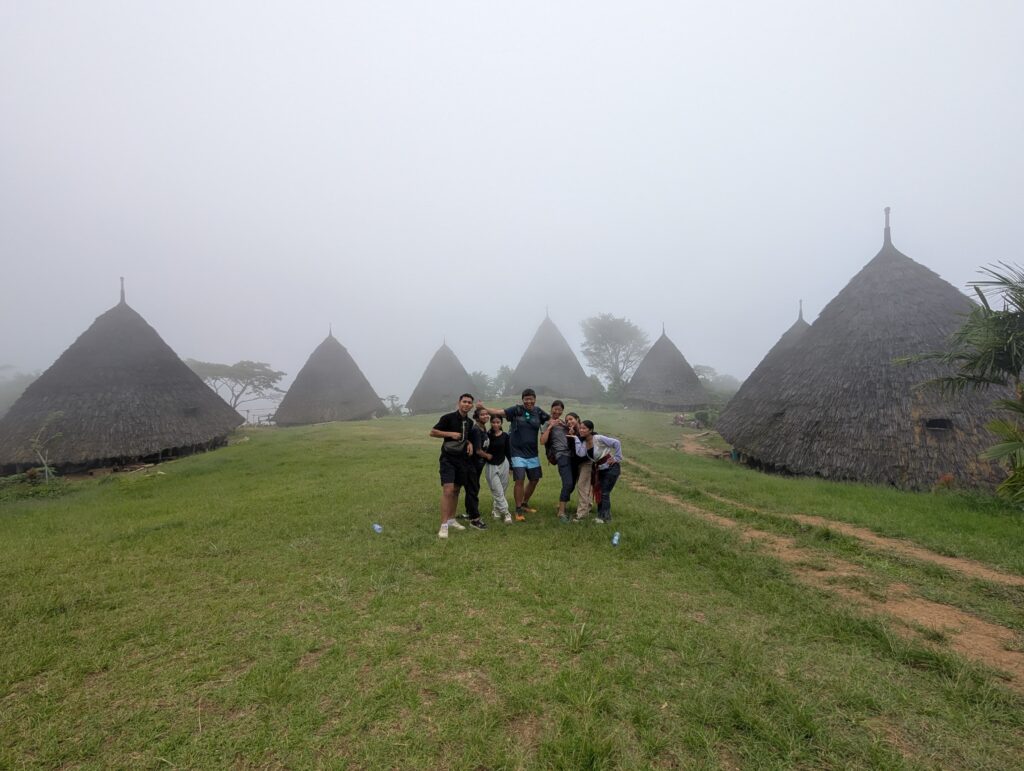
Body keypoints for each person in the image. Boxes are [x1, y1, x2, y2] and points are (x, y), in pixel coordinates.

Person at [476, 389, 550, 521]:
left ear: (535, 399)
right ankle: (518, 509)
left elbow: (551, 420)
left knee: (534, 480)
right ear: (522, 400)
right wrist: (484, 408)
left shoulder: (538, 412)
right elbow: (499, 412)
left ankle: (524, 503)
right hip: (517, 452)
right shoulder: (516, 410)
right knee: (520, 479)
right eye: (526, 398)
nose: (529, 401)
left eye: (531, 398)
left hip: (532, 452)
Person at [429, 393, 485, 538]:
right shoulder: (448, 418)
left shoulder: (470, 422)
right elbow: (433, 432)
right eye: (464, 402)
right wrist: (450, 434)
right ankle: (443, 525)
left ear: (472, 406)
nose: (466, 404)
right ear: (459, 403)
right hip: (448, 459)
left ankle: (452, 519)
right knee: (448, 490)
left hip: (462, 460)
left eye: (469, 403)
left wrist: (469, 443)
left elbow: (465, 437)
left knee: (456, 490)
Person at [575, 419, 622, 524]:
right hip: (600, 469)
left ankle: (606, 518)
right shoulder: (584, 442)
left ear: (590, 430)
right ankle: (601, 516)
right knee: (600, 492)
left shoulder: (598, 438)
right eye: (580, 428)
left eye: (584, 428)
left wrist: (617, 457)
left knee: (605, 493)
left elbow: (616, 443)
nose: (581, 430)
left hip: (611, 468)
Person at [540, 400, 574, 522]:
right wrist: (550, 426)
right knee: (568, 483)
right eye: (555, 409)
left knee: (573, 481)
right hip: (561, 455)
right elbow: (542, 441)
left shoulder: (564, 423)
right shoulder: (546, 423)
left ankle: (561, 505)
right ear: (551, 408)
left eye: (560, 410)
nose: (557, 411)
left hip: (572, 455)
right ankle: (561, 512)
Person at [460, 406, 490, 529]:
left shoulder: (483, 429)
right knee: (473, 489)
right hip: (471, 464)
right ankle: (474, 519)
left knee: (472, 488)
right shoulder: (476, 430)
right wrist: (489, 456)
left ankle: (469, 513)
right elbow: (478, 451)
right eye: (482, 414)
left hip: (478, 466)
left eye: (487, 414)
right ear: (477, 417)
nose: (485, 416)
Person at [480, 414, 512, 523]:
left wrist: (511, 467)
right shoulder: (487, 435)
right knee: (497, 490)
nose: (495, 424)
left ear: (501, 423)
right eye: (493, 422)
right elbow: (480, 448)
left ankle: (496, 510)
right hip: (491, 465)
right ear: (491, 423)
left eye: (498, 422)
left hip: (504, 463)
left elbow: (508, 451)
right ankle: (506, 513)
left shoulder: (505, 436)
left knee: (502, 490)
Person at [564, 412, 593, 521]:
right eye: (567, 421)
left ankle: (581, 514)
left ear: (577, 419)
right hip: (576, 464)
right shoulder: (571, 432)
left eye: (571, 419)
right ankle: (587, 507)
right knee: (584, 486)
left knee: (582, 485)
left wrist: (575, 436)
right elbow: (573, 450)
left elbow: (590, 436)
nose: (569, 422)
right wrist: (571, 437)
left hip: (587, 462)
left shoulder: (584, 428)